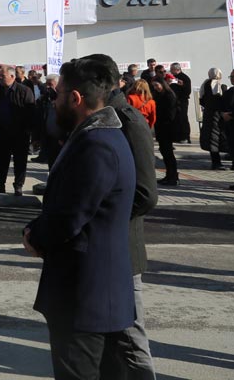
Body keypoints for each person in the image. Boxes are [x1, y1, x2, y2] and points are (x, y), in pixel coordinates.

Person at [24, 57, 138, 379]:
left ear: (75, 99)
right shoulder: (97, 137)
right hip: (95, 295)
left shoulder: (97, 144)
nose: (54, 100)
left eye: (58, 94)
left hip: (86, 297)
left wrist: (34, 235)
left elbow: (71, 215)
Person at [95, 56, 160, 379]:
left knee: (131, 338)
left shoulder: (128, 122)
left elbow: (146, 194)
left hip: (122, 247)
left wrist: (107, 221)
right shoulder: (105, 118)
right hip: (106, 249)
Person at [0, 65, 36, 196]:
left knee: (20, 162)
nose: (0, 79)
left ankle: (18, 186)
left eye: (3, 77)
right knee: (1, 161)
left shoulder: (24, 91)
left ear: (12, 76)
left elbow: (31, 112)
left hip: (20, 134)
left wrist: (28, 130)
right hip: (2, 132)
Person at [151, 77, 179, 186]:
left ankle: (173, 176)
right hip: (161, 128)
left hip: (167, 128)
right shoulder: (159, 95)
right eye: (154, 86)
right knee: (164, 152)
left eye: (156, 85)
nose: (155, 88)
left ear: (162, 84)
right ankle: (169, 175)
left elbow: (170, 114)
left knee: (168, 153)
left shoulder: (169, 96)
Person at [198, 69, 226, 169]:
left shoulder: (205, 84)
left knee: (211, 138)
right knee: (215, 138)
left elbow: (201, 100)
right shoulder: (219, 86)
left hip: (208, 114)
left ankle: (216, 161)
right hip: (217, 116)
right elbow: (223, 100)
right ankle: (216, 163)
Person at [169, 63, 192, 143]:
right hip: (173, 102)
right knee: (175, 119)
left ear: (177, 69)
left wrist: (183, 85)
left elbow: (188, 91)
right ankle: (176, 136)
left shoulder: (185, 78)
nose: (170, 71)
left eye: (172, 69)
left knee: (183, 118)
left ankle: (185, 137)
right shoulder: (172, 78)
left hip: (182, 101)